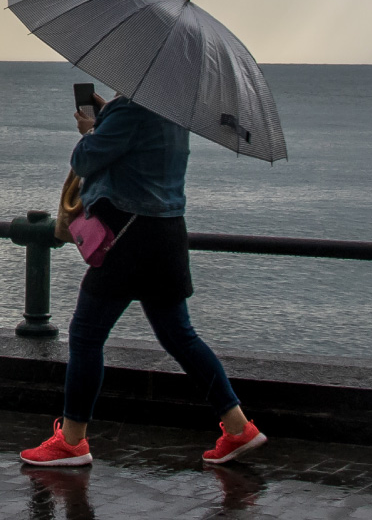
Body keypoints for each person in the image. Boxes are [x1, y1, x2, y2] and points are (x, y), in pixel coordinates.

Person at [19, 91, 267, 467]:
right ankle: (237, 427)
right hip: (167, 235)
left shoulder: (130, 110)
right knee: (179, 335)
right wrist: (107, 119)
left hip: (127, 238)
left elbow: (85, 159)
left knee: (86, 335)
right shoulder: (174, 109)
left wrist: (91, 128)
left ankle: (72, 441)